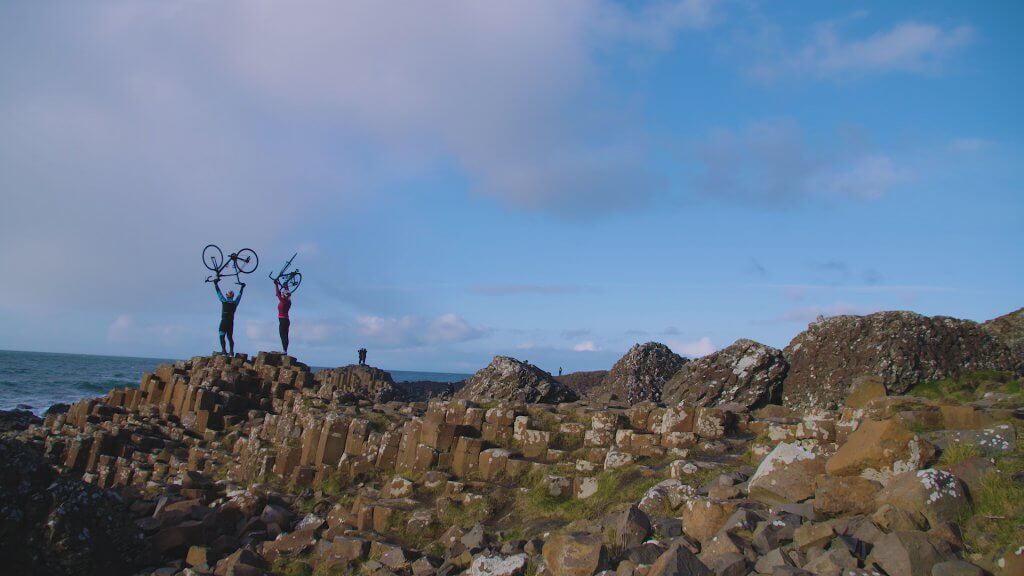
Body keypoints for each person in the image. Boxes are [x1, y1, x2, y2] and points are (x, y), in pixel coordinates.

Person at [214, 279, 245, 355]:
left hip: (224, 321)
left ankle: (224, 351)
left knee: (222, 336)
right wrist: (242, 287)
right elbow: (239, 296)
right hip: (230, 322)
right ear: (232, 295)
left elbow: (219, 293)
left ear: (227, 295)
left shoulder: (224, 301)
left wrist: (215, 284)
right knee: (230, 337)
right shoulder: (235, 303)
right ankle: (231, 352)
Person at [274, 279, 292, 354]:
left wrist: (276, 284)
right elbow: (286, 292)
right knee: (285, 335)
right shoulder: (288, 301)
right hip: (286, 320)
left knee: (282, 335)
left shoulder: (283, 301)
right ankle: (285, 350)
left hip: (283, 320)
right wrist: (286, 286)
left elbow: (278, 293)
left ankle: (284, 350)